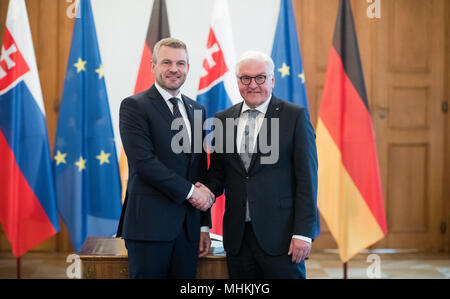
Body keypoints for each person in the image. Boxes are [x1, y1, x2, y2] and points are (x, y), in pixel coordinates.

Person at [204, 51, 318, 279]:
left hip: (282, 238)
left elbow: (307, 180)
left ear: (272, 80)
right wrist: (203, 192)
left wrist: (303, 233)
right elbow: (218, 174)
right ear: (237, 81)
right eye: (245, 78)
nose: (253, 84)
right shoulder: (223, 119)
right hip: (238, 238)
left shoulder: (294, 116)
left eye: (261, 78)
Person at [117, 37, 214, 279]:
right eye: (166, 62)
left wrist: (203, 225)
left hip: (188, 229)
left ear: (188, 68)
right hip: (149, 227)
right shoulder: (134, 106)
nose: (174, 69)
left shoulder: (197, 110)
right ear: (153, 66)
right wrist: (193, 193)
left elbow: (199, 169)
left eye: (181, 63)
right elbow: (144, 164)